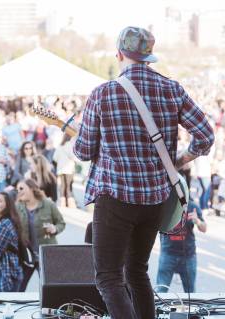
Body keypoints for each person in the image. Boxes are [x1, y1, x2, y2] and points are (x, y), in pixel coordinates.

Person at [72, 26, 214, 318]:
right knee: (137, 271)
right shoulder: (172, 89)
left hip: (115, 199)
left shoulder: (103, 93)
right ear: (150, 56)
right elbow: (205, 135)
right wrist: (177, 160)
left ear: (119, 53)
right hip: (154, 200)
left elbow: (84, 151)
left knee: (109, 278)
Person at [15, 178, 66, 292]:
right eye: (17, 189)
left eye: (22, 188)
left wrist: (55, 228)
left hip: (46, 254)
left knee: (49, 288)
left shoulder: (48, 204)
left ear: (32, 189)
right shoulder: (18, 206)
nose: (19, 191)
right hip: (26, 256)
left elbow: (61, 223)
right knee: (19, 288)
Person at [156, 199, 207, 293]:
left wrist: (198, 221)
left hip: (188, 256)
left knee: (190, 294)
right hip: (167, 255)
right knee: (161, 291)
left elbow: (204, 228)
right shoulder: (164, 204)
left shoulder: (192, 206)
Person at [53, 134, 77, 208]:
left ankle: (62, 203)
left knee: (62, 186)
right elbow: (75, 158)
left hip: (60, 169)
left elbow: (55, 158)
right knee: (68, 186)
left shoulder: (60, 146)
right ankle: (70, 204)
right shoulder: (71, 146)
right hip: (69, 169)